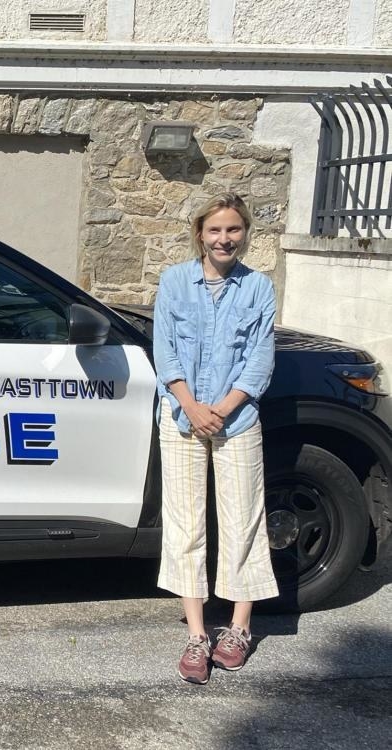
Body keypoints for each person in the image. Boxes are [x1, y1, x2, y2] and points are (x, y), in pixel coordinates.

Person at [153, 193, 279, 685]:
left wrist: (223, 409)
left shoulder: (259, 288)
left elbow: (261, 360)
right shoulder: (173, 282)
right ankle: (197, 633)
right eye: (215, 231)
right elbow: (165, 352)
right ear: (199, 235)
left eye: (233, 230)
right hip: (183, 418)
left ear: (245, 233)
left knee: (243, 520)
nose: (224, 239)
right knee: (186, 523)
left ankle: (239, 628)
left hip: (238, 419)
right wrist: (191, 405)